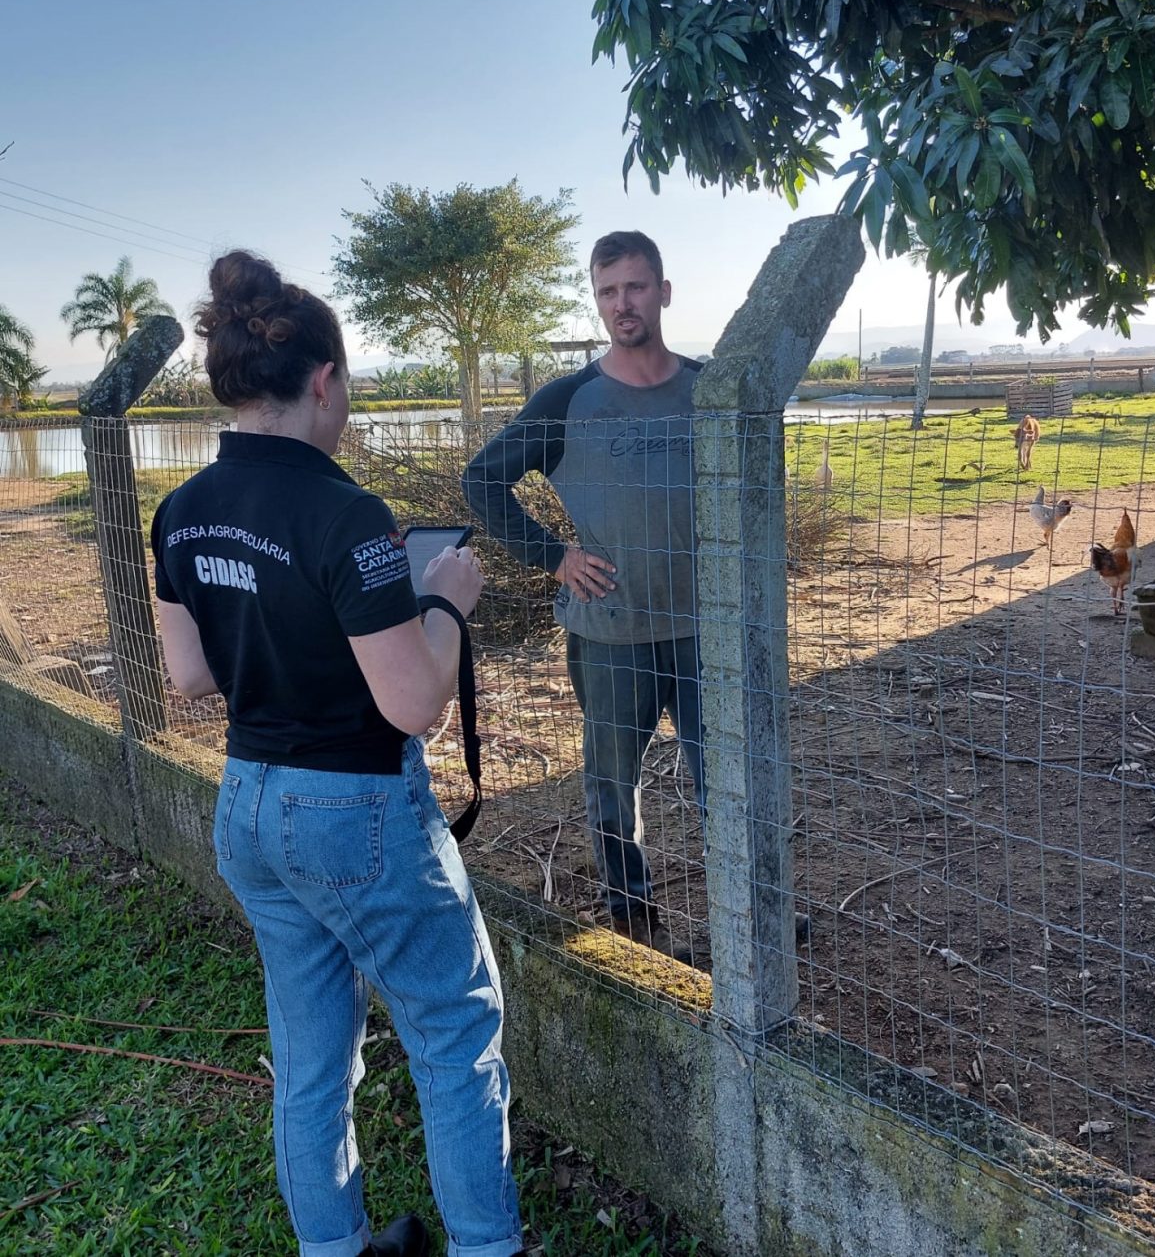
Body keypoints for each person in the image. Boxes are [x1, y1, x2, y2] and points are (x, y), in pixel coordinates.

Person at [150, 250, 524, 1257]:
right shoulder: (347, 514)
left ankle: (334, 1247)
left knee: (312, 1056)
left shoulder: (180, 510)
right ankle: (491, 1247)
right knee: (454, 1036)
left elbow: (186, 679)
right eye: (347, 386)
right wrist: (444, 596)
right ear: (322, 381)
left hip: (247, 809)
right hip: (352, 811)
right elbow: (411, 704)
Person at [464, 231, 811, 962]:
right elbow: (482, 481)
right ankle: (633, 920)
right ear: (598, 299)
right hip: (612, 634)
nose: (623, 303)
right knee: (612, 787)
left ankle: (754, 914)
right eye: (608, 291)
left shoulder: (709, 389)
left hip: (704, 633)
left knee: (729, 782)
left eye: (636, 287)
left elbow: (753, 485)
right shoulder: (569, 399)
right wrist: (553, 556)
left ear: (664, 291)